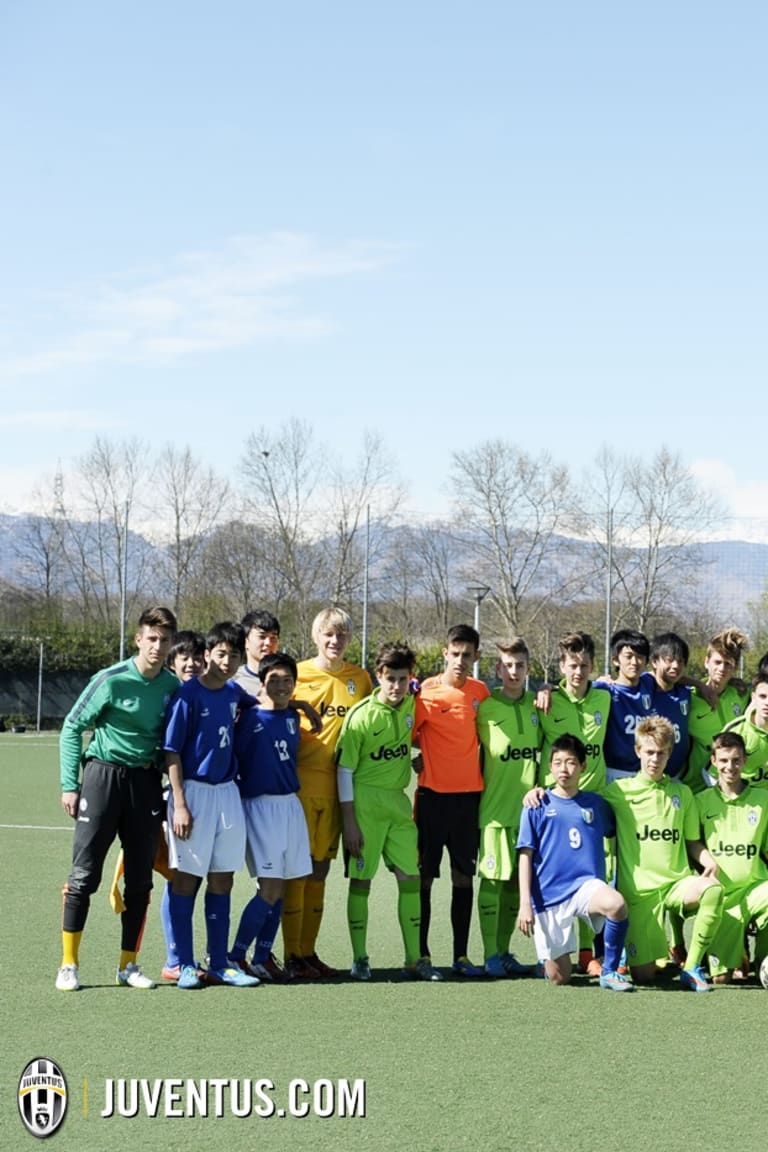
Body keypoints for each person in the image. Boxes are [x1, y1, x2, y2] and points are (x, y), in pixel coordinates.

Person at [56, 606, 179, 992]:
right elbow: (73, 726)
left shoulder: (171, 687)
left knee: (140, 880)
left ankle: (128, 965)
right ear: (138, 640)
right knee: (84, 876)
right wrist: (70, 784)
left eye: (164, 640)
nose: (157, 646)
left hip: (144, 784)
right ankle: (68, 964)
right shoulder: (110, 679)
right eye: (152, 638)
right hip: (103, 779)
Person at [336, 643, 442, 982]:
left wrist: (418, 755)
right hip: (365, 806)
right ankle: (360, 959)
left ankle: (414, 959)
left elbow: (414, 737)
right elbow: (344, 771)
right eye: (390, 679)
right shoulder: (360, 716)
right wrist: (349, 821)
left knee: (410, 877)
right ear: (378, 677)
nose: (396, 687)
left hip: (397, 804)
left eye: (402, 679)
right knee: (361, 881)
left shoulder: (411, 705)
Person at [164, 622, 259, 989]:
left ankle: (219, 963)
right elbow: (171, 751)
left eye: (234, 655)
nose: (227, 661)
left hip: (227, 793)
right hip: (194, 791)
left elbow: (263, 701)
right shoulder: (188, 695)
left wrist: (297, 704)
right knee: (187, 877)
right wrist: (181, 805)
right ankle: (184, 964)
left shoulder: (235, 692)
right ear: (207, 655)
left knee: (223, 876)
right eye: (221, 653)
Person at [109, 629, 206, 982]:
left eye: (198, 658)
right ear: (173, 662)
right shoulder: (169, 693)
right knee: (175, 875)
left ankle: (185, 955)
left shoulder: (205, 693)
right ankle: (175, 957)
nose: (192, 664)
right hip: (166, 793)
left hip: (205, 795)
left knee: (192, 878)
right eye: (185, 658)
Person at [282, 607, 373, 979]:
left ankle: (308, 953)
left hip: (339, 791)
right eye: (329, 635)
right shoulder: (297, 674)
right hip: (300, 786)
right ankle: (290, 956)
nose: (335, 642)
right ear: (316, 635)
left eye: (342, 636)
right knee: (297, 872)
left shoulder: (361, 680)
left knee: (320, 871)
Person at [604, 716, 723, 990]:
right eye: (649, 752)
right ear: (638, 751)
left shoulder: (682, 793)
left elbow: (693, 842)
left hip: (676, 885)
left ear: (670, 753)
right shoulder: (617, 793)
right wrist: (539, 794)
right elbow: (580, 803)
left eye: (661, 753)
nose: (655, 759)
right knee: (644, 977)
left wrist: (708, 861)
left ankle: (692, 967)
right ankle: (653, 951)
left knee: (713, 890)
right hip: (640, 895)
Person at [517, 734, 633, 990]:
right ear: (550, 767)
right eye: (557, 763)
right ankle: (548, 962)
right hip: (548, 896)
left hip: (585, 887)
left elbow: (618, 832)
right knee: (561, 978)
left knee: (616, 904)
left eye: (570, 763)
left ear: (583, 766)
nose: (564, 769)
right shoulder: (536, 804)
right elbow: (525, 856)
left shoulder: (596, 804)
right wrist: (525, 903)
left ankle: (610, 971)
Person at [228, 652, 312, 981]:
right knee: (270, 887)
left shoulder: (292, 718)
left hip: (290, 805)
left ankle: (262, 957)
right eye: (273, 680)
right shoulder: (249, 718)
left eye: (287, 680)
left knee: (284, 886)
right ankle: (235, 955)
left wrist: (299, 706)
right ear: (261, 683)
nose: (280, 686)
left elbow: (286, 710)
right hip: (259, 807)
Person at [413, 623, 490, 977]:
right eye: (454, 653)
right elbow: (409, 736)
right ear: (445, 653)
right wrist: (418, 756)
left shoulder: (481, 693)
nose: (460, 660)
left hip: (467, 801)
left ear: (476, 657)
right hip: (431, 800)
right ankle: (423, 954)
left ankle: (461, 956)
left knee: (464, 878)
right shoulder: (425, 692)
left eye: (467, 655)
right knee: (424, 879)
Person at [536, 631, 612, 977]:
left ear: (593, 666)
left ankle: (597, 954)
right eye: (571, 665)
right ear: (561, 666)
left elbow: (646, 677)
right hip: (558, 804)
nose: (578, 671)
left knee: (596, 878)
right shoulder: (547, 701)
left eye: (584, 665)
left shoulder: (605, 697)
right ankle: (564, 952)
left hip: (594, 803)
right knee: (563, 878)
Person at [476, 638, 542, 976]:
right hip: (493, 811)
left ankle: (504, 953)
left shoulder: (539, 705)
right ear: (497, 669)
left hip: (530, 815)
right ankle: (489, 954)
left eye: (519, 665)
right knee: (492, 880)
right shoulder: (484, 708)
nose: (514, 671)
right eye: (507, 665)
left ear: (528, 668)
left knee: (517, 883)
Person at [696, 730, 768, 982]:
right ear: (714, 761)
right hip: (722, 898)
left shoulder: (763, 798)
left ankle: (762, 957)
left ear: (744, 761)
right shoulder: (700, 801)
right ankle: (736, 954)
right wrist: (707, 860)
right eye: (724, 760)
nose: (730, 767)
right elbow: (692, 841)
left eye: (736, 760)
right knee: (721, 979)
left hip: (758, 889)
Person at [686, 629, 749, 793]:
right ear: (706, 662)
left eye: (728, 664)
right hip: (695, 787)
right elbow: (658, 675)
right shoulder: (689, 696)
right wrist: (699, 684)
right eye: (717, 662)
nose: (722, 668)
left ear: (735, 668)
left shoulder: (741, 694)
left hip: (732, 786)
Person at [593, 629, 653, 780]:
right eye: (629, 656)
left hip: (643, 773)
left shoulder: (649, 682)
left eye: (640, 657)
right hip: (613, 772)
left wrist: (701, 685)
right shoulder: (604, 689)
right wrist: (547, 689)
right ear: (615, 660)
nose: (635, 662)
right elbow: (574, 690)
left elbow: (672, 675)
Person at [721, 673, 768, 788]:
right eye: (762, 696)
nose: (767, 702)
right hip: (745, 802)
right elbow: (713, 775)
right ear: (753, 697)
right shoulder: (735, 731)